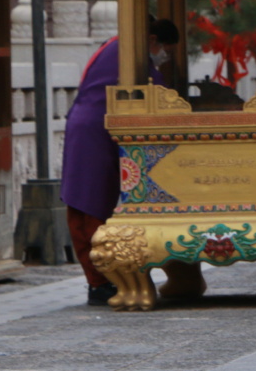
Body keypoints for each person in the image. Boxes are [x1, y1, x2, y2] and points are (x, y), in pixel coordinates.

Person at [62, 18, 179, 305]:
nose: (164, 53)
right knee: (91, 208)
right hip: (94, 133)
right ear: (151, 39)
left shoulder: (117, 46)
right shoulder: (127, 53)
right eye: (164, 47)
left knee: (90, 205)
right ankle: (101, 282)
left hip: (89, 127)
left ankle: (104, 279)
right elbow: (158, 94)